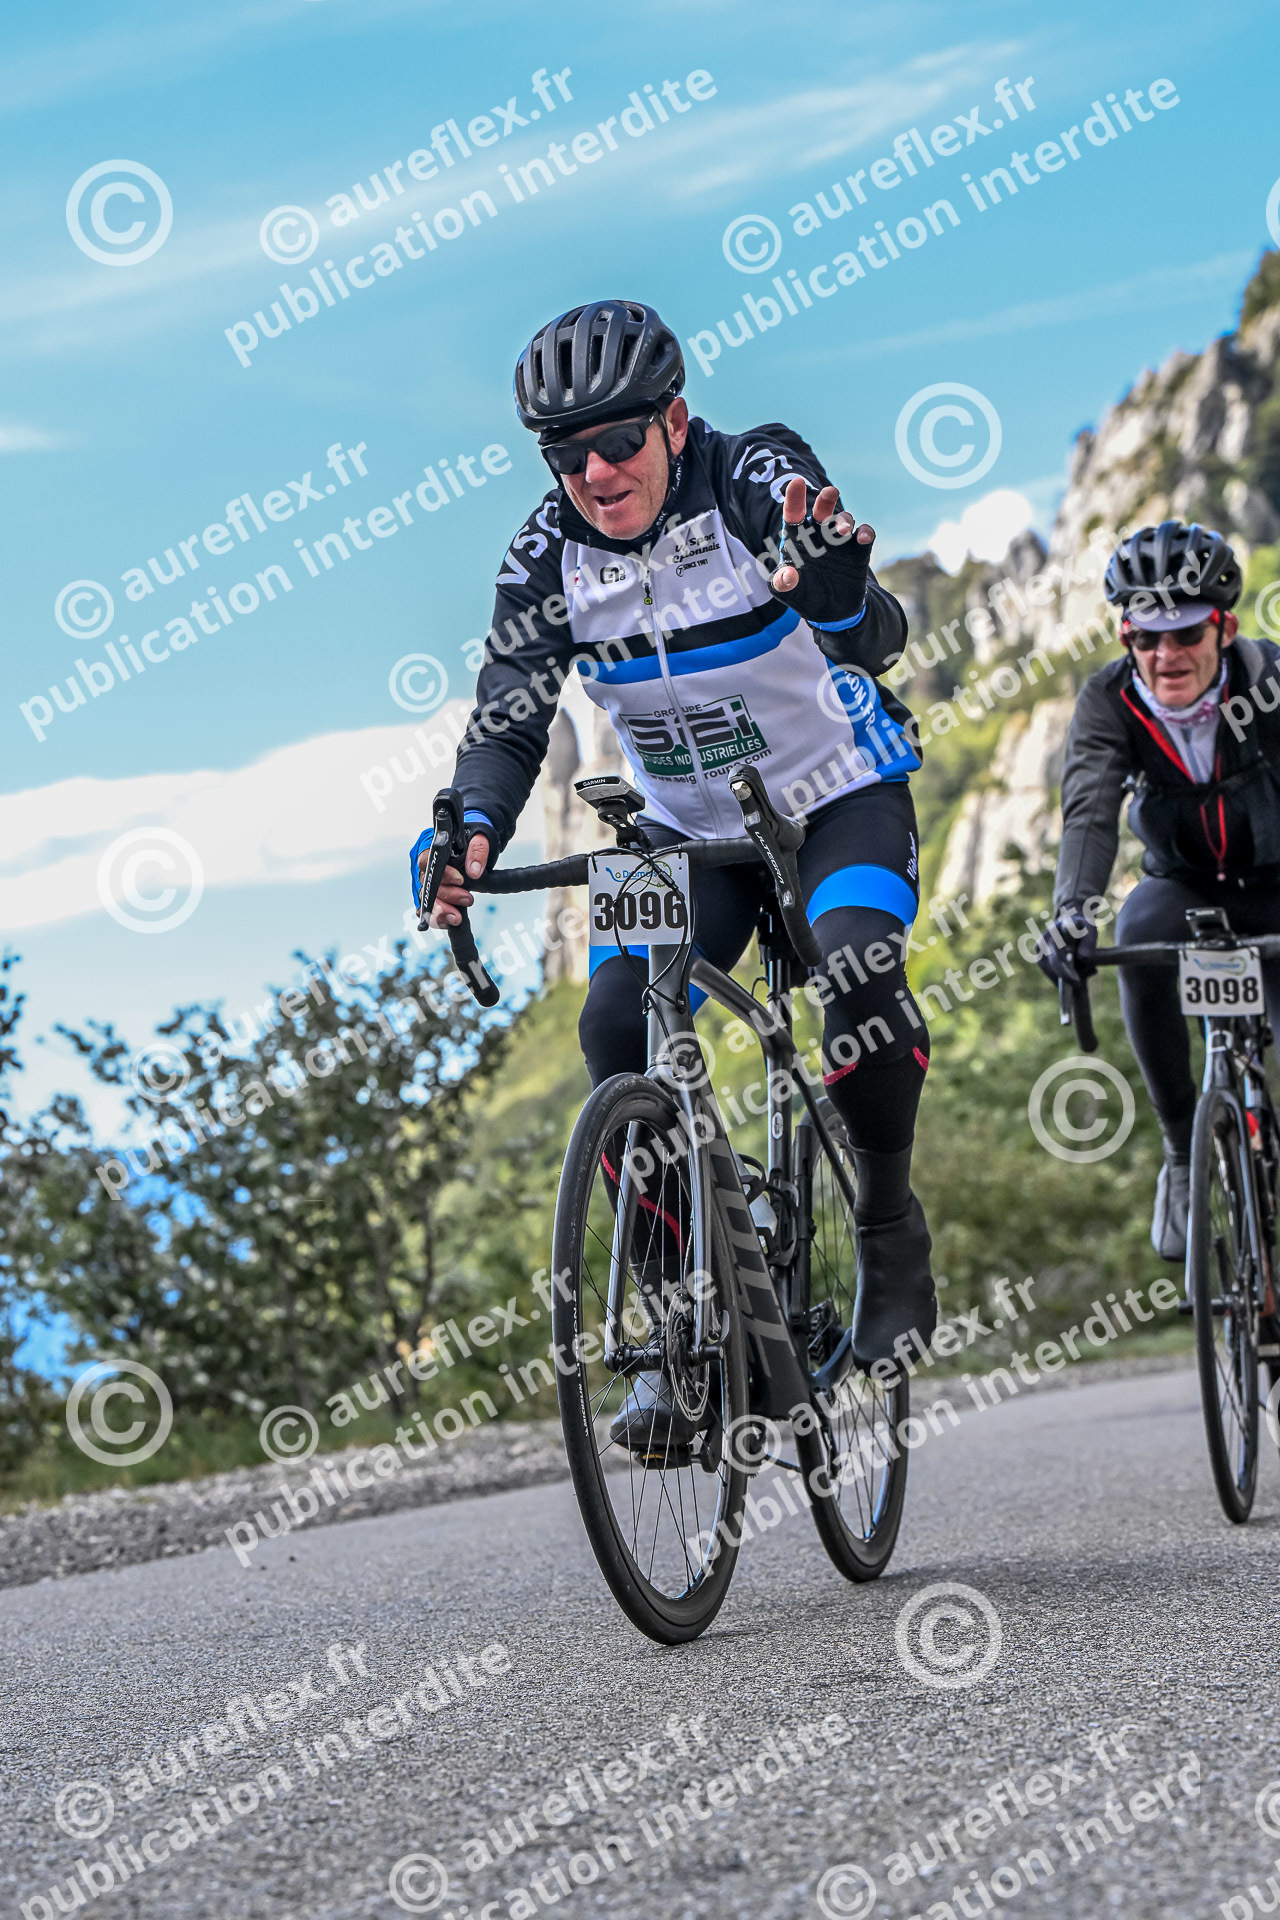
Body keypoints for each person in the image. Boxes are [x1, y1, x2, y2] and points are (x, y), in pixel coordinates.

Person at [414, 298, 937, 1441]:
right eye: (567, 456)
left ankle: (889, 1227)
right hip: (684, 830)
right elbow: (507, 723)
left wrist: (833, 588)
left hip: (835, 797)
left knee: (854, 968)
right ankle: (679, 1321)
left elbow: (875, 637)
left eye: (618, 442)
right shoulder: (544, 557)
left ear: (674, 422)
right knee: (614, 1026)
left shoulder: (753, 475)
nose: (596, 474)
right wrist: (469, 827)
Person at [1039, 518, 1280, 1259]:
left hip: (1275, 882)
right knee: (1136, 936)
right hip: (1181, 884)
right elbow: (1089, 812)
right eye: (1146, 637)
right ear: (1126, 636)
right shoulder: (1109, 700)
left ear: (1224, 628)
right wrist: (1071, 914)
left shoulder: (1270, 681)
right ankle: (1182, 1152)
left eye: (1186, 634)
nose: (1165, 656)